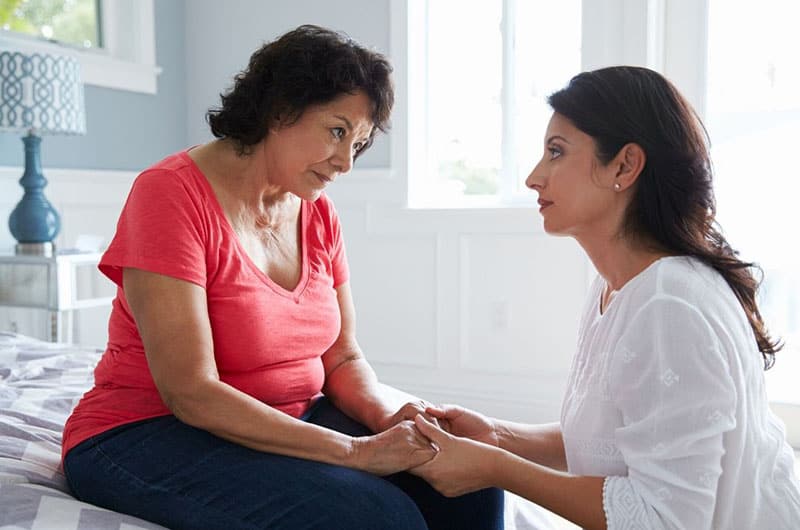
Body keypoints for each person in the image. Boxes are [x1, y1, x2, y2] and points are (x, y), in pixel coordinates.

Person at [62, 25, 503, 530]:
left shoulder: (318, 212)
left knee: (469, 478)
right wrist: (355, 453)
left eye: (357, 143)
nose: (345, 162)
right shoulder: (168, 196)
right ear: (280, 110)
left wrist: (390, 418)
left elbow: (343, 356)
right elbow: (191, 392)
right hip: (147, 432)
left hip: (292, 417)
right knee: (376, 517)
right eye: (337, 131)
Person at [408, 66, 800, 529]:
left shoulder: (669, 305)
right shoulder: (618, 286)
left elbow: (665, 519)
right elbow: (628, 440)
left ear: (624, 165)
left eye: (556, 152)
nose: (534, 177)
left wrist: (496, 468)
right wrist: (499, 436)